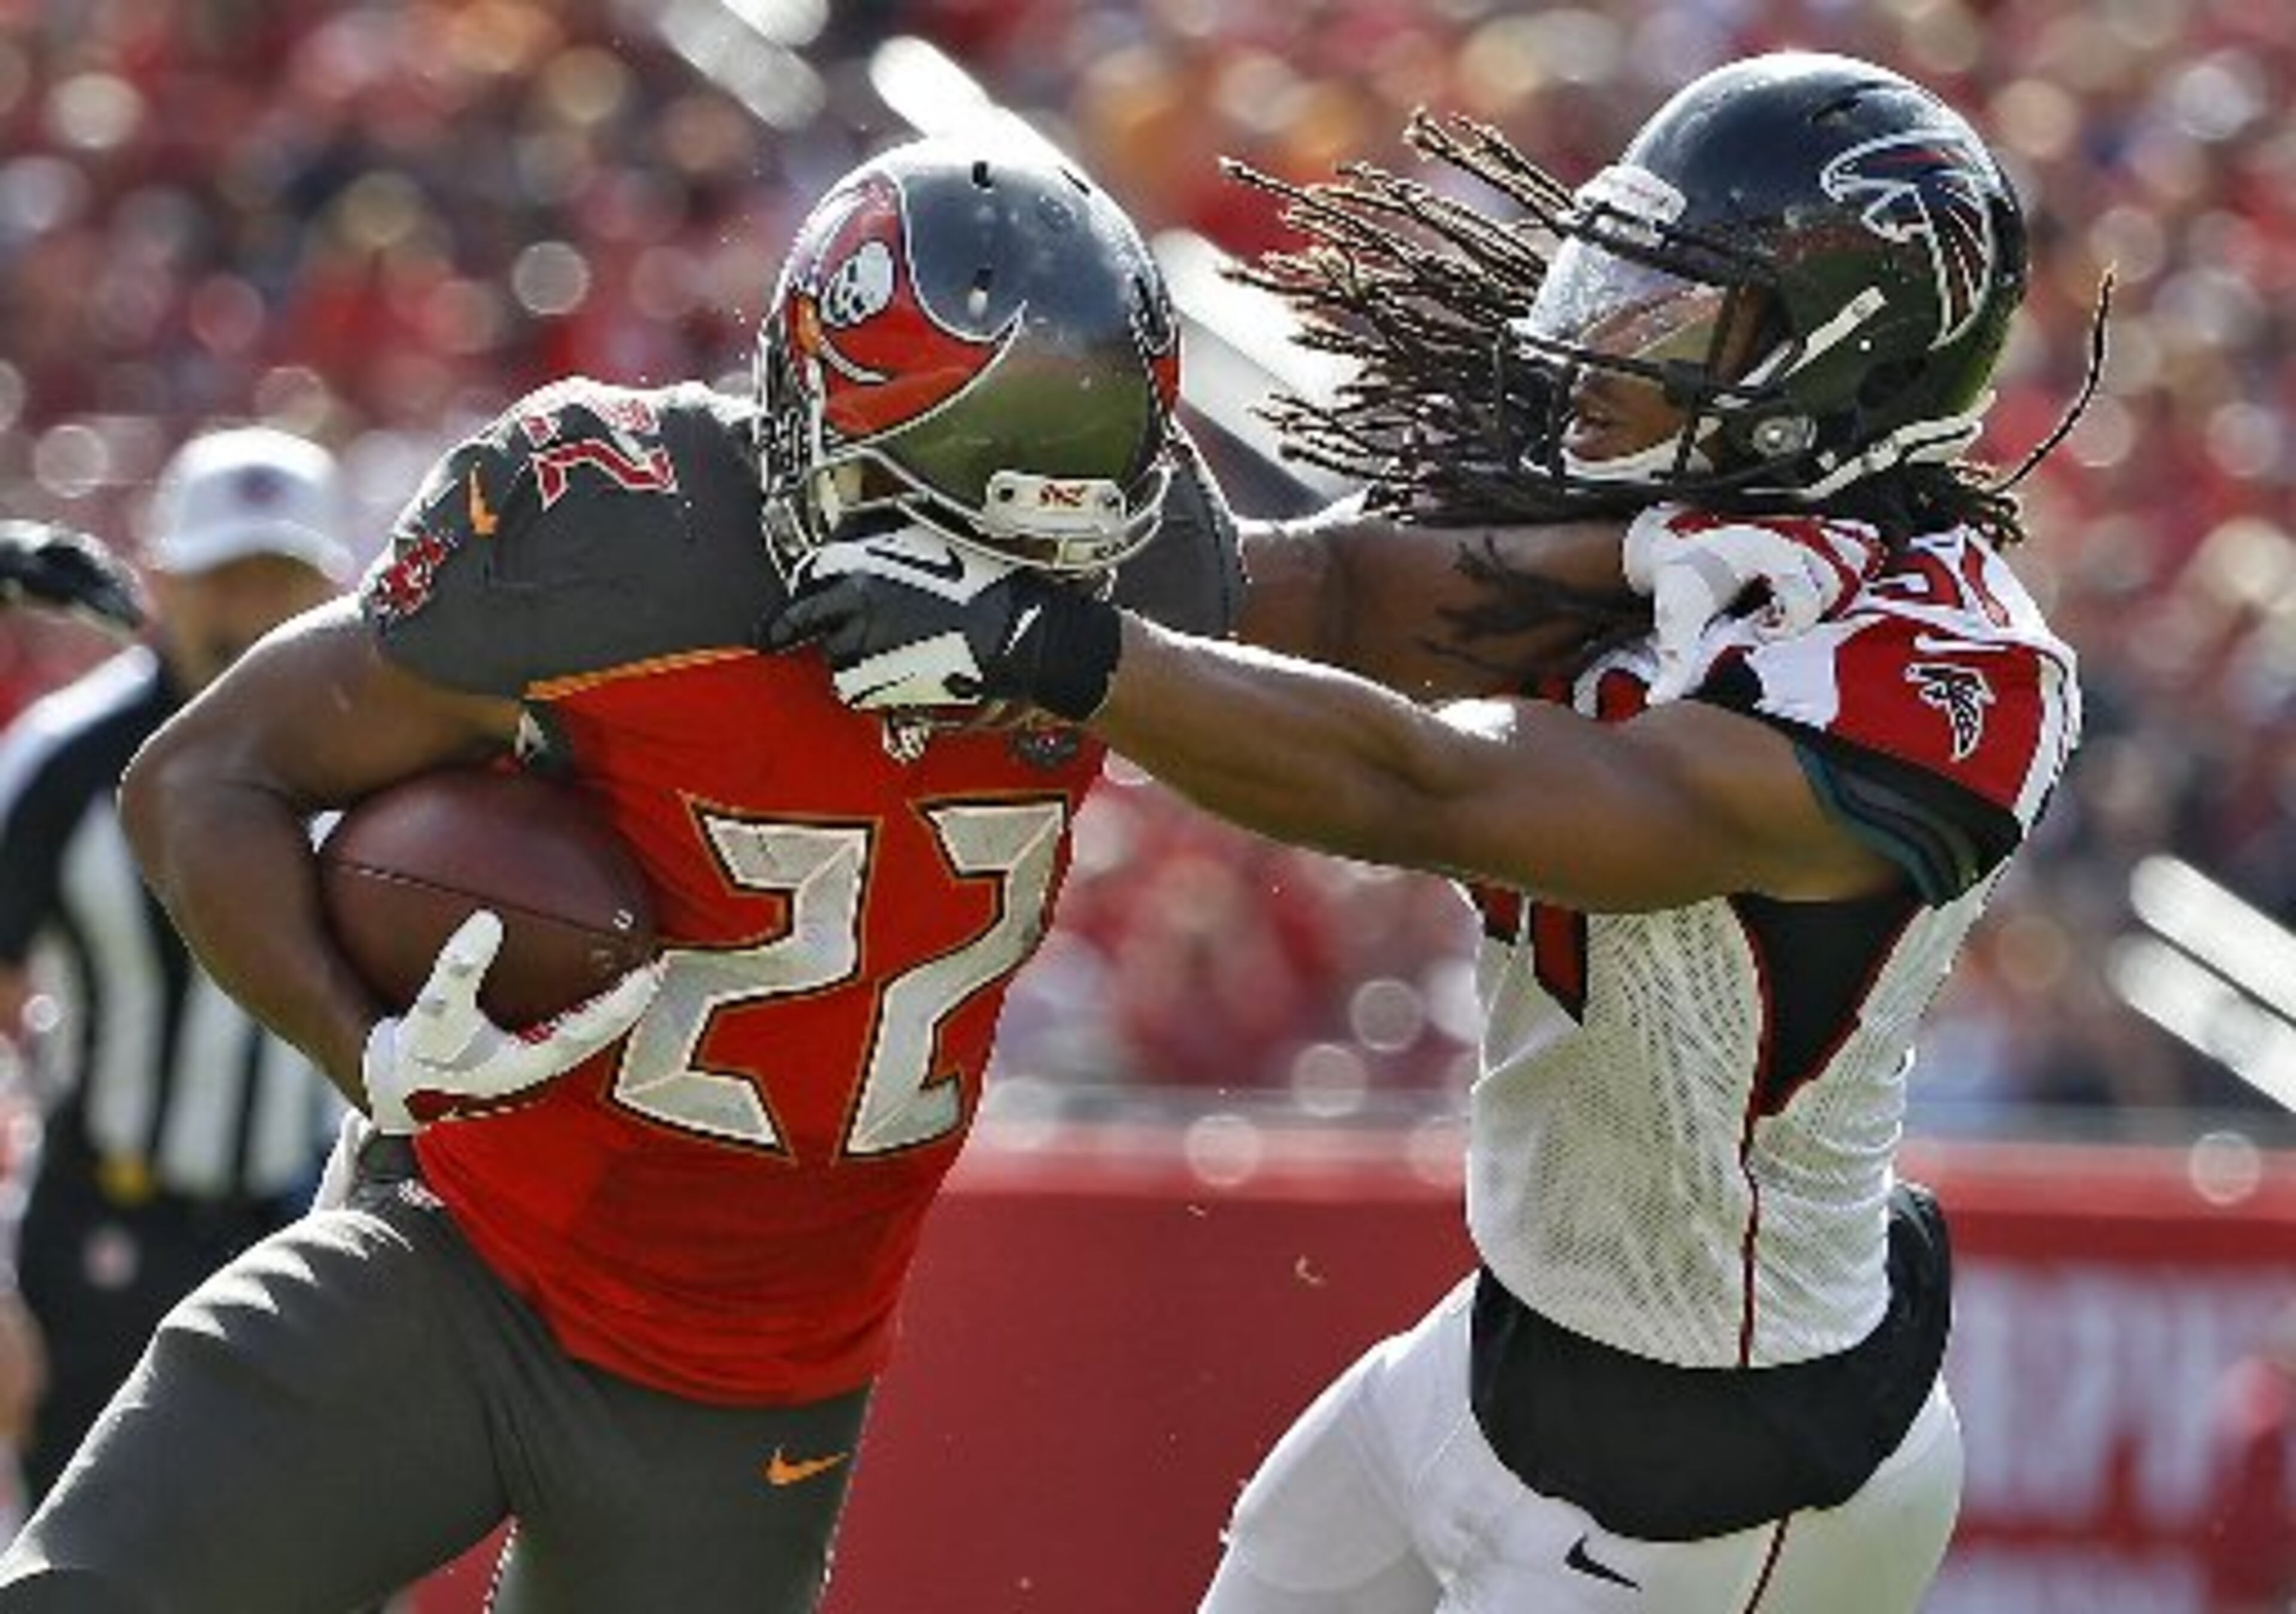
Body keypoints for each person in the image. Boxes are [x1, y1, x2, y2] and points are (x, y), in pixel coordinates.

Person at [768, 53, 2081, 1612]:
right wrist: (1004, 506)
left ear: (1833, 363)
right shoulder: (1708, 526)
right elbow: (1328, 592)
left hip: (1724, 1480)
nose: (1600, 344)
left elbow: (1436, 786)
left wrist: (1058, 649)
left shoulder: (1940, 684)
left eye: (1668, 313)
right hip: (1509, 1354)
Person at [0, 134, 1251, 1614]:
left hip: (755, 1383)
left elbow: (1379, 682)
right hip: (459, 1254)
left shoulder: (1141, 586)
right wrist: (372, 1052)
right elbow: (204, 778)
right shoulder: (623, 535)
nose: (962, 567)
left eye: (1025, 528)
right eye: (926, 496)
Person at [0, 429, 350, 1514]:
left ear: (334, 588)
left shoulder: (392, 766)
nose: (249, 613)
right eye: (224, 579)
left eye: (278, 579)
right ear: (158, 579)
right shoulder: (64, 763)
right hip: (101, 1234)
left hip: (302, 1238)